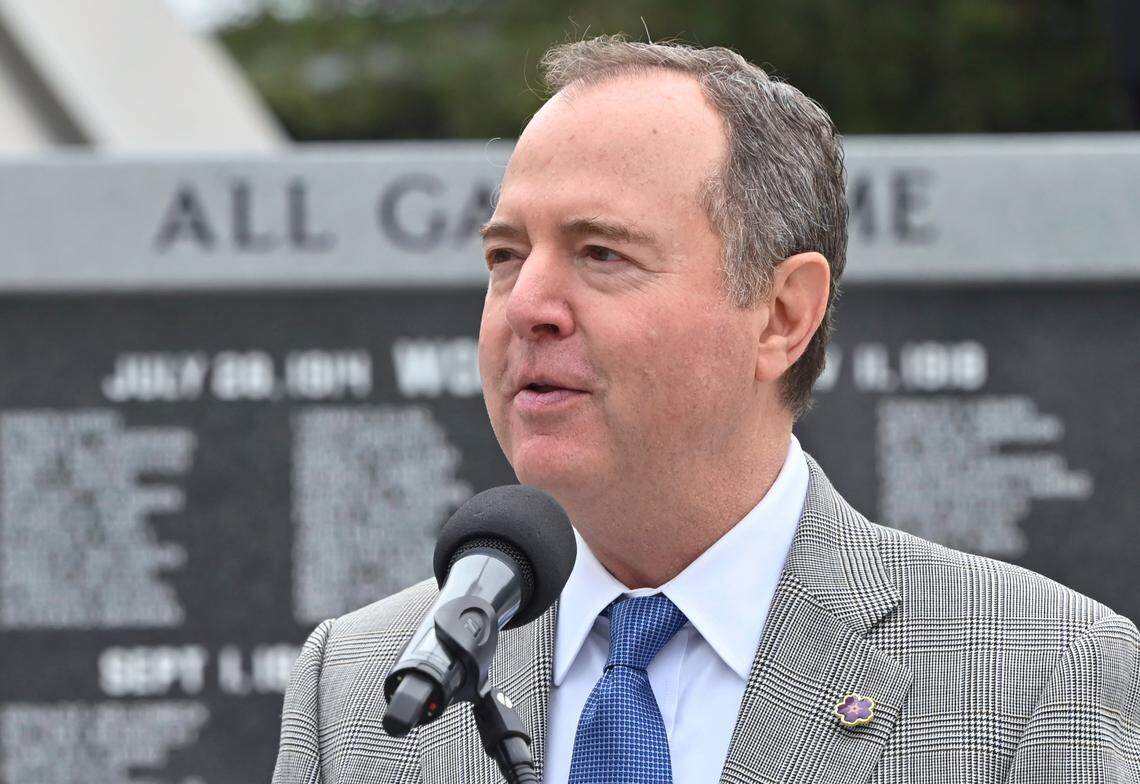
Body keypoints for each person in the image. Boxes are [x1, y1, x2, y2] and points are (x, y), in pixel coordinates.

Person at [272, 36, 1139, 784]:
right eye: (504, 256)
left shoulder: (1037, 675)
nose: (525, 304)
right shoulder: (355, 689)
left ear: (782, 315)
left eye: (601, 251)